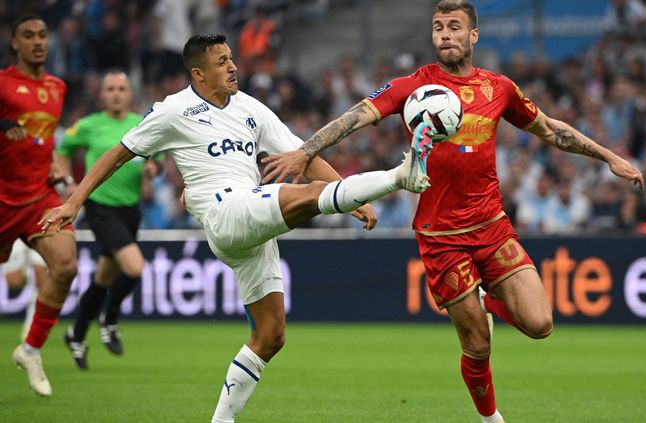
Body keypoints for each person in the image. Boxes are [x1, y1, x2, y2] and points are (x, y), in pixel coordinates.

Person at [260, 1, 644, 422]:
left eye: (454, 27)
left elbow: (551, 129)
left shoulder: (499, 88)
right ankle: (490, 418)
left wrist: (609, 157)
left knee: (539, 324)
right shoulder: (413, 86)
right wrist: (305, 151)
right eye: (438, 26)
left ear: (472, 36)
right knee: (478, 345)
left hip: (492, 226)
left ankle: (484, 296)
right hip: (441, 235)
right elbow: (356, 117)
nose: (444, 33)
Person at [41, 33, 435, 422]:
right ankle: (401, 174)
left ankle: (221, 420)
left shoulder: (251, 108)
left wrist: (357, 200)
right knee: (308, 194)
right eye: (221, 62)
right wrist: (74, 202)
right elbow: (118, 154)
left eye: (231, 58)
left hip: (249, 224)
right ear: (198, 73)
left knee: (271, 336)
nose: (232, 66)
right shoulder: (173, 110)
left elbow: (303, 154)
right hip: (224, 211)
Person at [56, 70, 159, 369]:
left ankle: (76, 334)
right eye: (110, 89)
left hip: (131, 210)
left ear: (130, 94)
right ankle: (109, 319)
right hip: (100, 207)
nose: (116, 93)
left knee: (103, 278)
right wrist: (67, 182)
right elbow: (62, 151)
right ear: (102, 95)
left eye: (121, 89)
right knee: (135, 267)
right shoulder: (88, 126)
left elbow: (159, 159)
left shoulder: (142, 125)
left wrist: (154, 170)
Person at [0, 13, 77, 397]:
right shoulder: (1, 83)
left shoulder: (57, 87)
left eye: (43, 35)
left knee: (65, 265)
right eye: (28, 36)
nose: (37, 41)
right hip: (1, 197)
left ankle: (30, 350)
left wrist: (57, 172)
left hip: (38, 198)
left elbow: (41, 142)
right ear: (14, 42)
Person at [3, 238, 47, 341]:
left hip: (38, 231)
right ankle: (28, 274)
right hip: (17, 234)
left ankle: (30, 325)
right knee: (13, 281)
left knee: (41, 279)